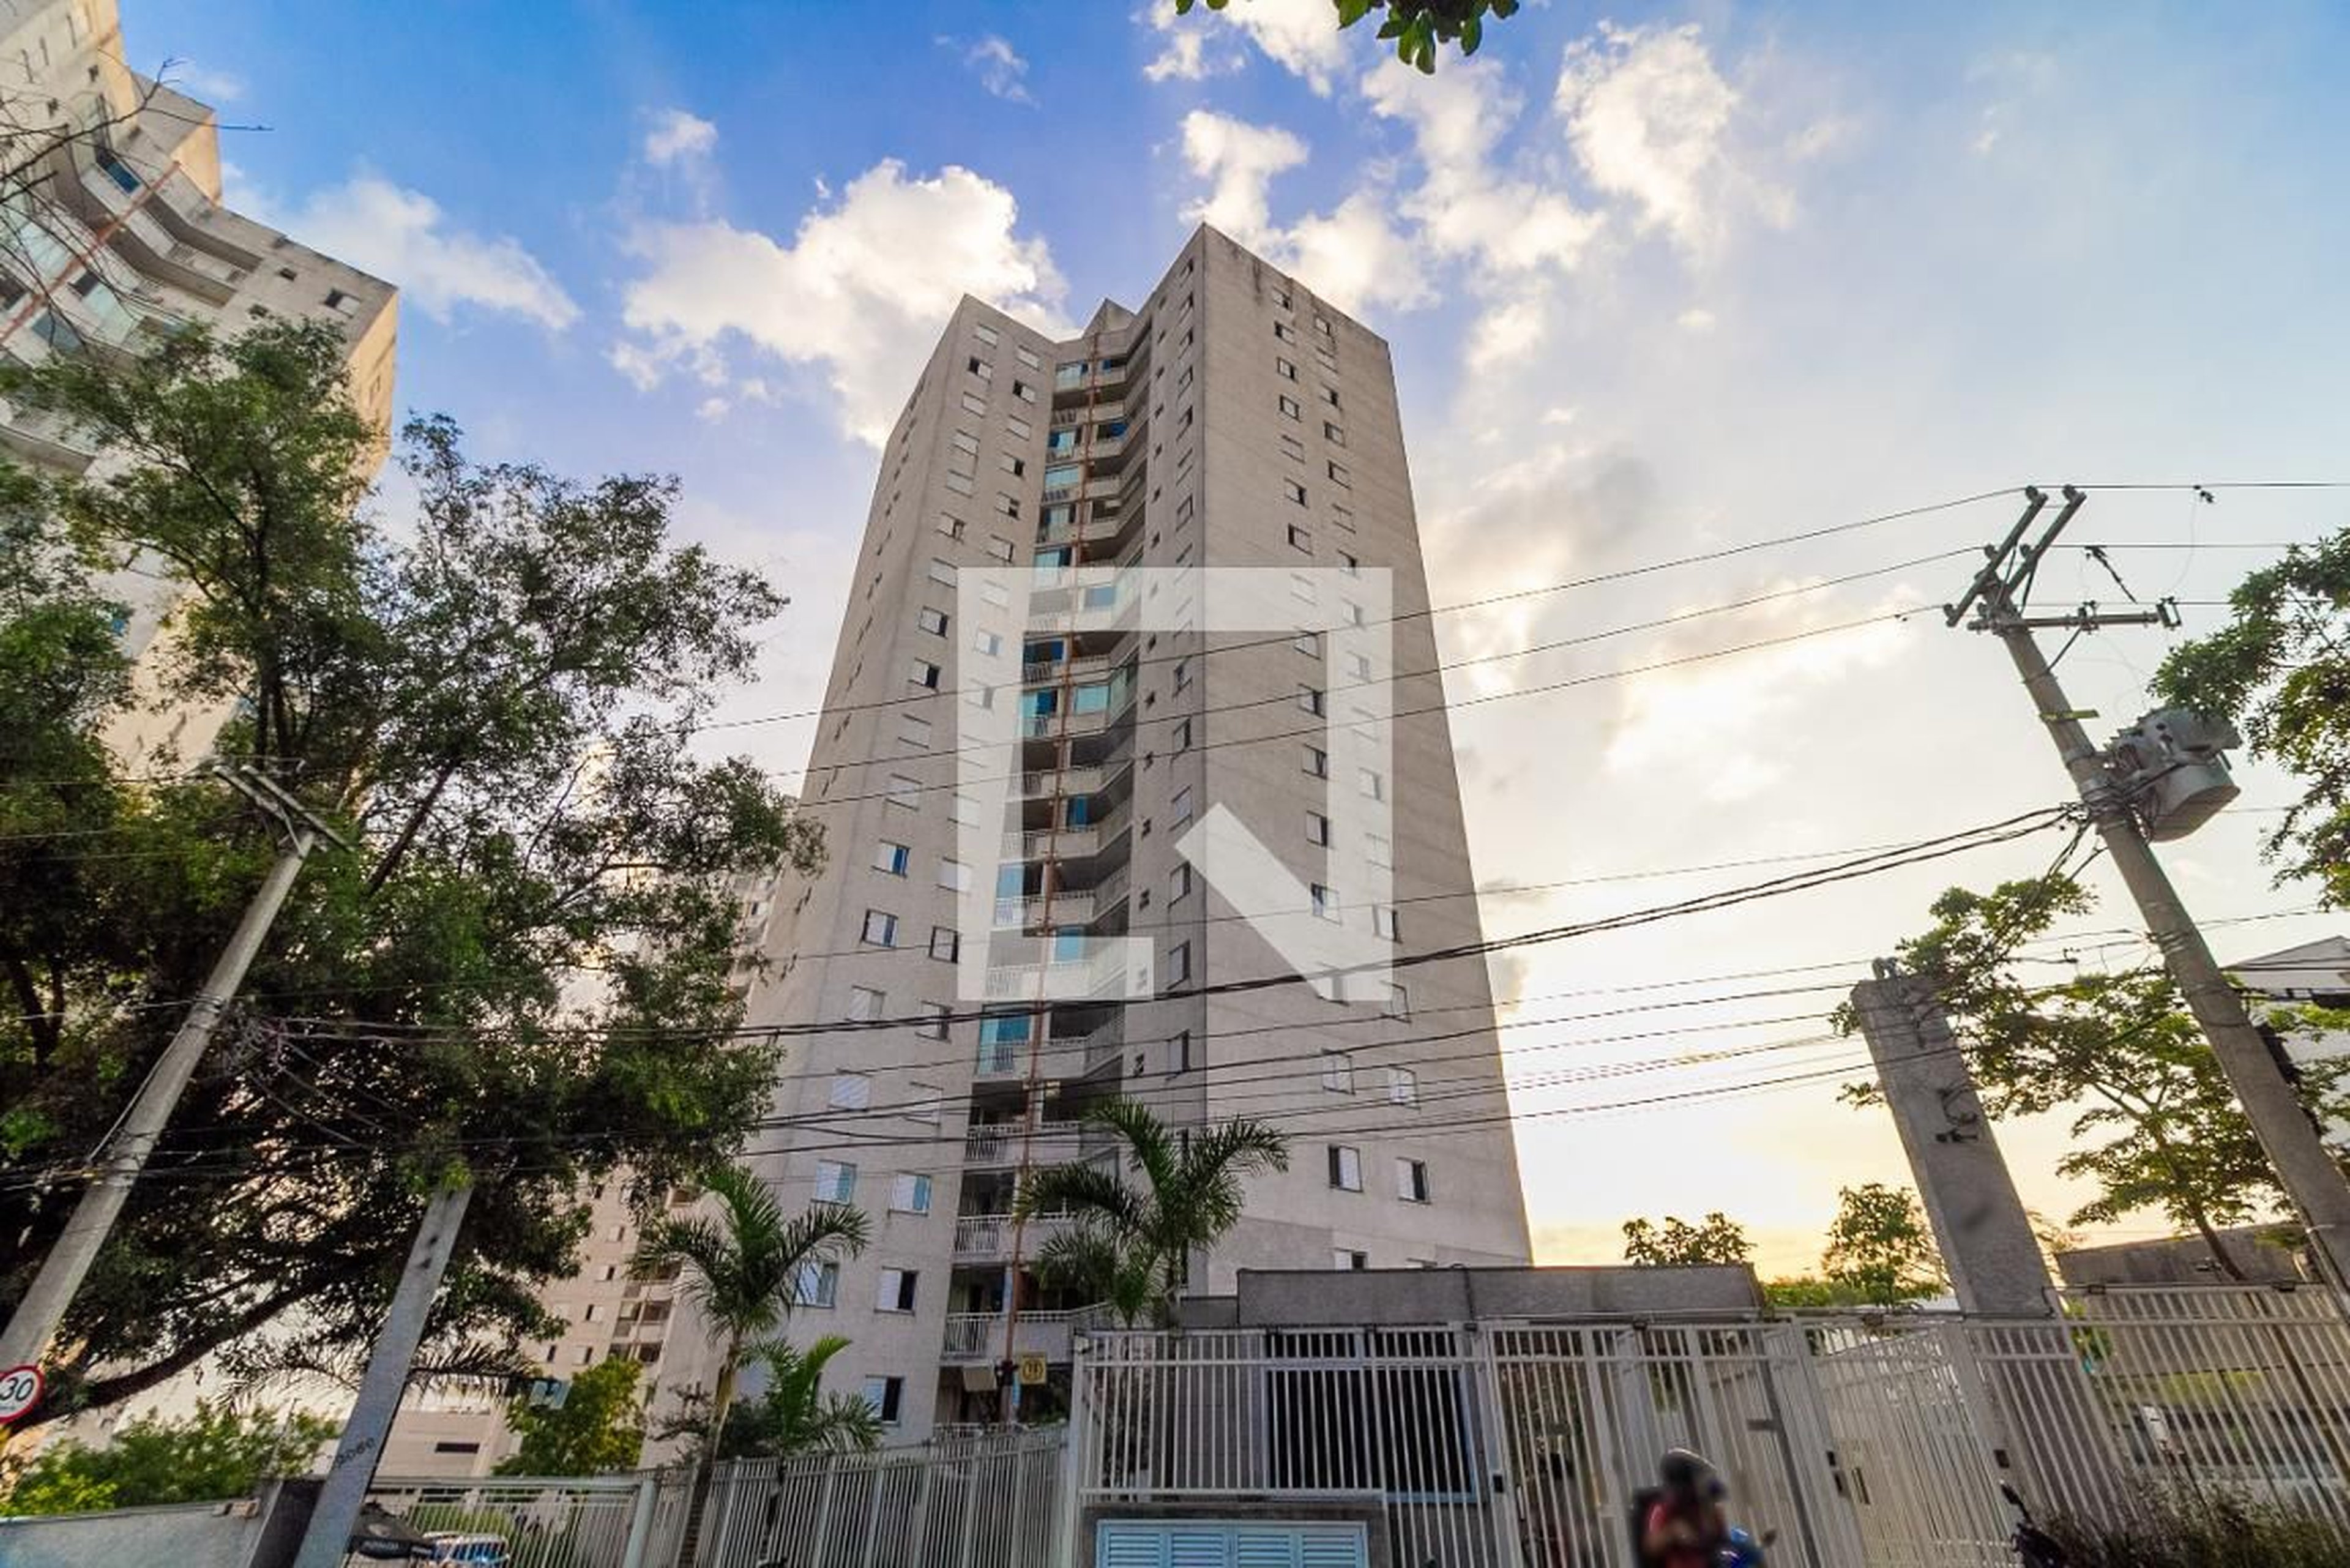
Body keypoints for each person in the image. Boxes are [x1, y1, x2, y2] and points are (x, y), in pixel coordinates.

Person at [1640, 1448, 1729, 1568]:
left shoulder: (1702, 1504)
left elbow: (1720, 1536)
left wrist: (1711, 1512)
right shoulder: (1664, 1508)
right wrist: (1672, 1532)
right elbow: (1651, 1544)